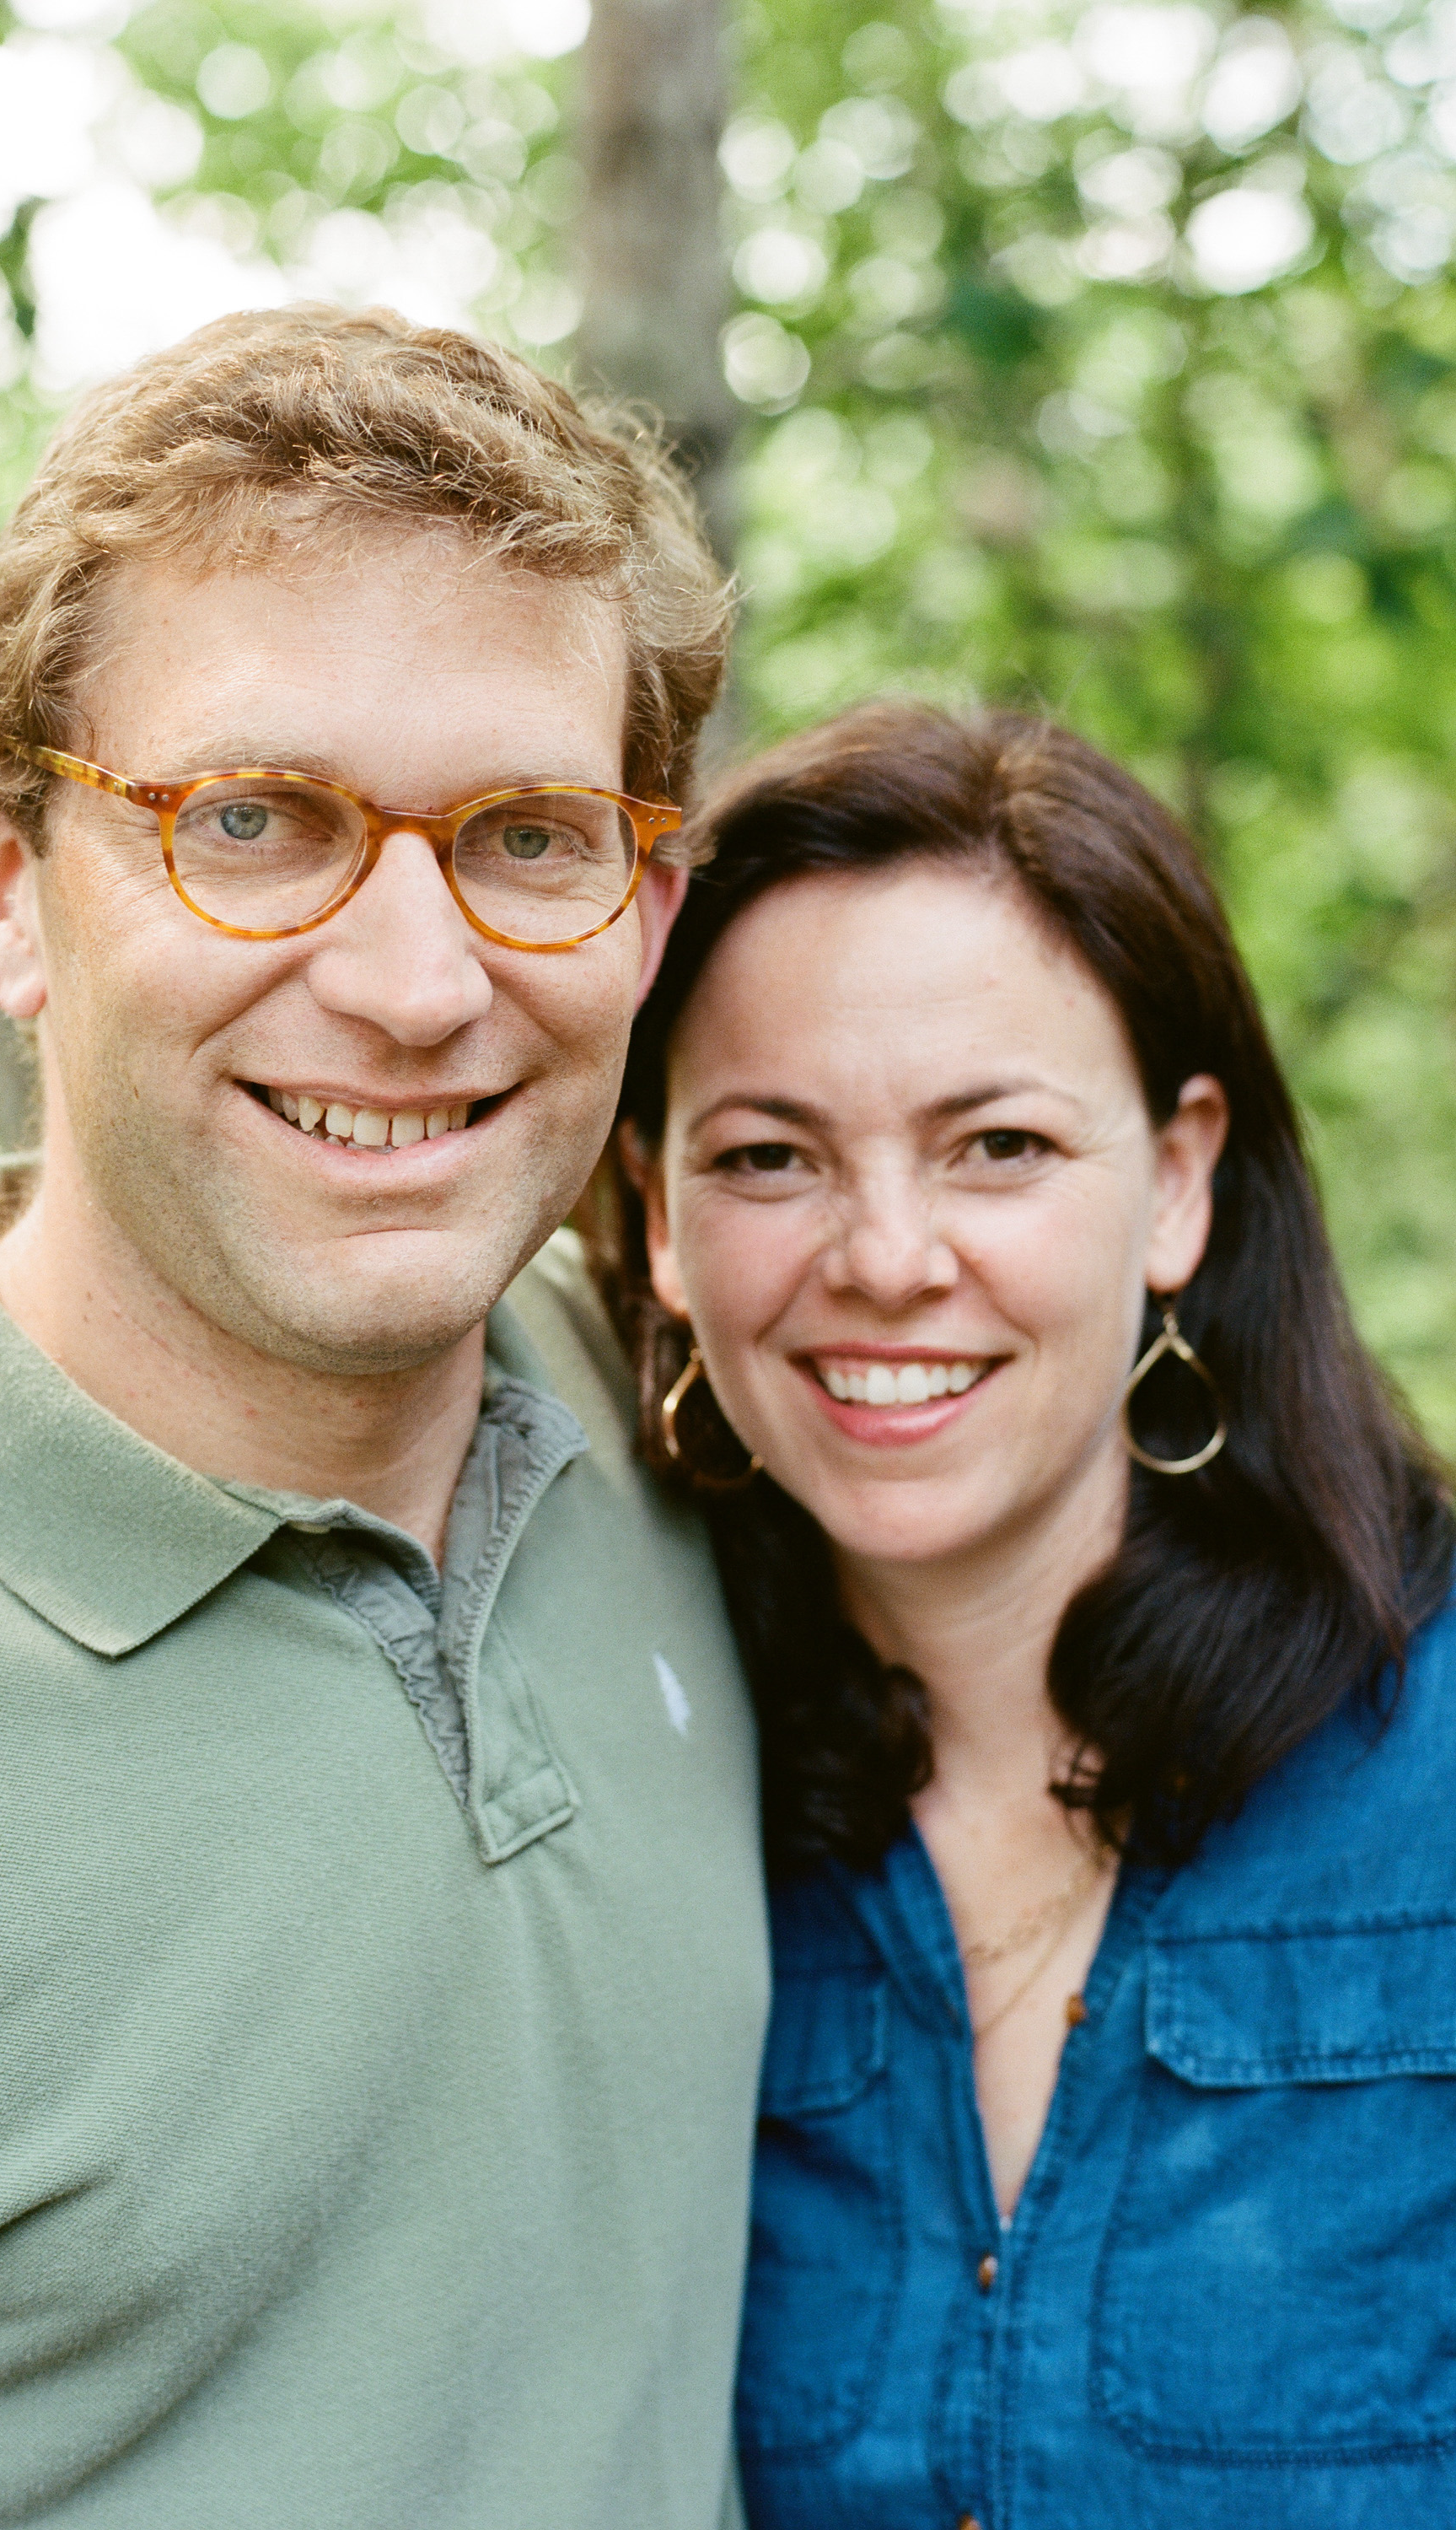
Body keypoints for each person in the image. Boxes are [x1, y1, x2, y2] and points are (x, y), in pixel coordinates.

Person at [0, 307, 770, 2527]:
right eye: (252, 821)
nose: (416, 986)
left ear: (645, 906)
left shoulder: (694, 1441)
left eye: (528, 836)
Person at [600, 699, 1456, 2527]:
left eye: (994, 1145)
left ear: (1175, 1180)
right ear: (656, 1216)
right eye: (767, 1157)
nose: (886, 1259)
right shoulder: (626, 1790)